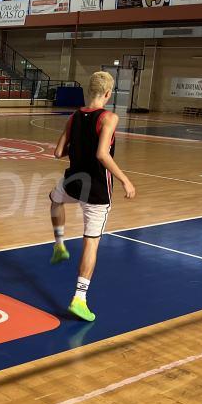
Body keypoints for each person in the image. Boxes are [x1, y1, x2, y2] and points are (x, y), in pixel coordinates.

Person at [48, 70, 136, 322]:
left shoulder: (74, 116)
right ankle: (79, 298)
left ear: (90, 91)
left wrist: (78, 147)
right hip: (97, 188)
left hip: (73, 181)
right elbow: (101, 154)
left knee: (55, 199)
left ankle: (59, 243)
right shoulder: (109, 117)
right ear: (108, 94)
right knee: (91, 242)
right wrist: (125, 179)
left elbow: (57, 152)